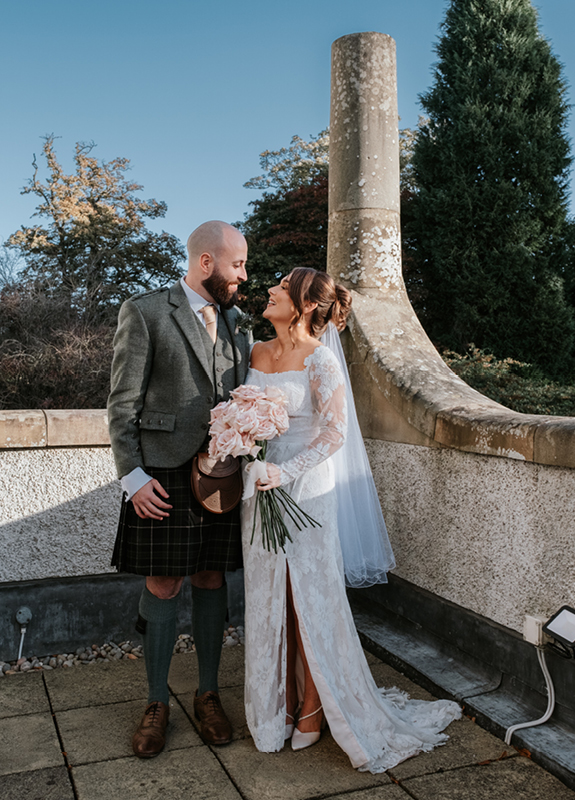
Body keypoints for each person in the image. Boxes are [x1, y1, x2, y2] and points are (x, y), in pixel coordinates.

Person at [240, 267, 460, 771]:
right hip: (258, 489)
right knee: (270, 595)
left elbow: (334, 435)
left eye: (280, 286)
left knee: (309, 600)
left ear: (303, 304)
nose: (269, 290)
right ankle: (275, 708)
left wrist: (284, 470)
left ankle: (316, 708)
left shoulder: (320, 361)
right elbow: (243, 415)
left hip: (307, 488)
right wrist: (245, 451)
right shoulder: (254, 352)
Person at [108, 220, 252, 757]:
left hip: (221, 473)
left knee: (212, 577)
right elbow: (122, 403)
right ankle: (155, 702)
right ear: (206, 262)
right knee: (164, 583)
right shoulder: (146, 312)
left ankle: (208, 693)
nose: (244, 274)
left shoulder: (239, 322)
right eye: (237, 264)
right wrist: (132, 476)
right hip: (162, 472)